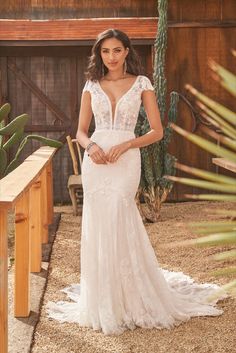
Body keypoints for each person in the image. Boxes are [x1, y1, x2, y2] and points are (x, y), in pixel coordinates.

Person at [46, 28, 227, 335]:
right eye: (106, 51)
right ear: (99, 54)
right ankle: (104, 297)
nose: (112, 57)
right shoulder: (91, 84)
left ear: (127, 51)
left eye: (117, 50)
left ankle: (131, 296)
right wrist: (91, 147)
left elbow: (156, 130)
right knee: (99, 222)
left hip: (126, 159)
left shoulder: (141, 83)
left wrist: (126, 145)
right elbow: (80, 131)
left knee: (121, 214)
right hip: (97, 161)